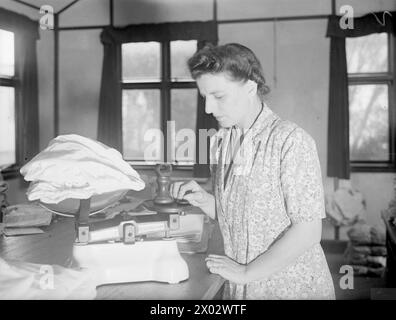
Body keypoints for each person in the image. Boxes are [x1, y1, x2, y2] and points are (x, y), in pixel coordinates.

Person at [170, 43, 335, 300]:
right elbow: (244, 218)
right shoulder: (221, 142)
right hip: (241, 284)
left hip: (289, 287)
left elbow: (309, 231)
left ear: (250, 87)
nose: (208, 109)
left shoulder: (290, 141)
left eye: (219, 96)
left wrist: (247, 272)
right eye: (205, 97)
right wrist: (206, 201)